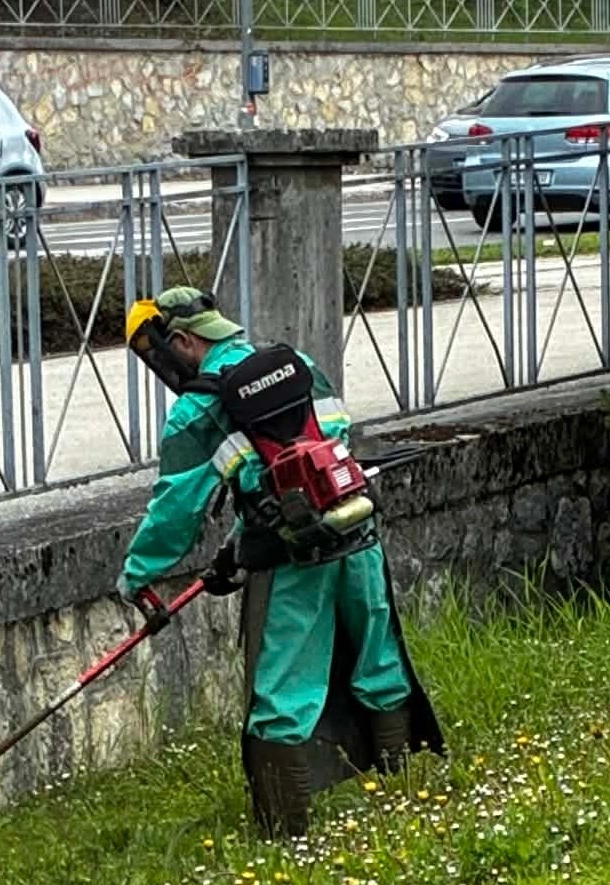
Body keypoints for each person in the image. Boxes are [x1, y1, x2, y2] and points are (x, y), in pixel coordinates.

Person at [119, 287, 443, 839]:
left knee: (282, 696)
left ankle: (283, 837)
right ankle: (405, 799)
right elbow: (324, 453)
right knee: (379, 664)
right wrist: (237, 544)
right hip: (357, 534)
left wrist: (137, 576)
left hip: (295, 565)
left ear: (182, 341)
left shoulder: (197, 409)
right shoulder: (298, 365)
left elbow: (175, 512)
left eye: (158, 351)